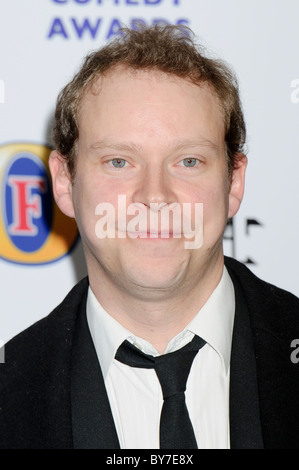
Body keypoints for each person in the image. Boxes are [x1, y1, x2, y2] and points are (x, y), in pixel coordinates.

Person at [1, 24, 299, 450]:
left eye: (189, 160)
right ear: (65, 183)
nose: (155, 197)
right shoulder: (9, 392)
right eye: (119, 161)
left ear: (233, 183)